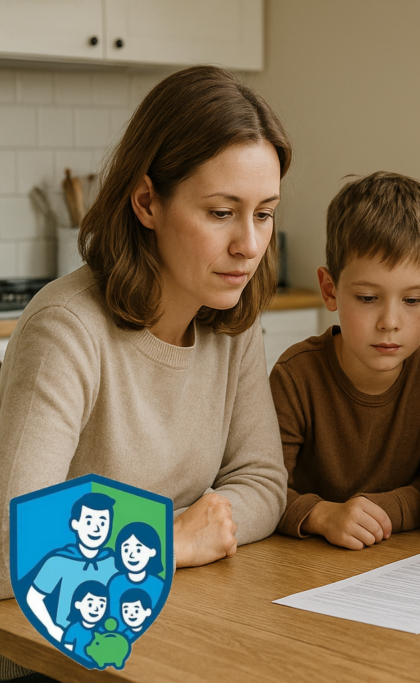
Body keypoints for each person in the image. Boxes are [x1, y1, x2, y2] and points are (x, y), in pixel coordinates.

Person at [0, 65, 291, 679]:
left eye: (264, 214)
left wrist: (183, 535)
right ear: (146, 202)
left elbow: (263, 483)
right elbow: (10, 549)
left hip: (176, 627)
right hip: (52, 659)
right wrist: (169, 540)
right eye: (220, 212)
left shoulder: (231, 318)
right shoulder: (67, 330)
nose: (249, 245)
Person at [272, 172, 420, 549]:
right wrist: (323, 515)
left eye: (412, 301)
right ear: (330, 290)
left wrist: (377, 512)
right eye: (368, 298)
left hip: (409, 561)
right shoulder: (295, 376)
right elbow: (267, 490)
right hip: (306, 563)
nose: (390, 322)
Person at [25, 494, 117, 644]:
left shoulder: (114, 562)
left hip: (105, 637)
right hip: (67, 637)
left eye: (103, 522)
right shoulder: (58, 561)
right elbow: (33, 597)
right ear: (75, 524)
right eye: (89, 521)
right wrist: (51, 627)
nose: (96, 528)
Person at [106, 522, 165, 630]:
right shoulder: (115, 582)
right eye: (126, 549)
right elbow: (113, 615)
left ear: (152, 551)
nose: (132, 555)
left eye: (138, 549)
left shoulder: (158, 584)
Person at [60, 581, 108, 663]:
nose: (96, 609)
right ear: (78, 604)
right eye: (90, 604)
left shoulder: (103, 630)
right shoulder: (73, 629)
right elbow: (66, 652)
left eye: (101, 605)